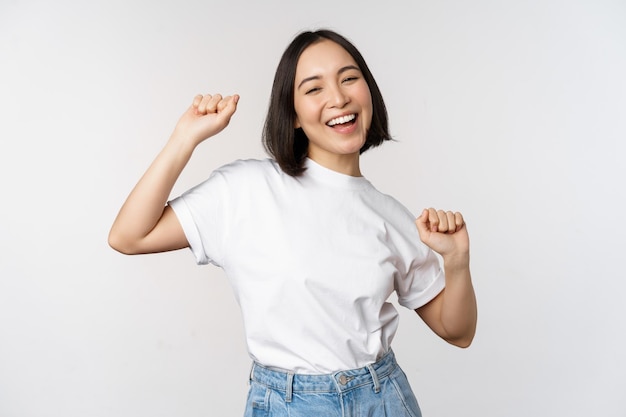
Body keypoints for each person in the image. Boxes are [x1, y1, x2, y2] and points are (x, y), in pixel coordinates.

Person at [109, 29, 477, 417]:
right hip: (287, 405)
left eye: (349, 78)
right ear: (294, 115)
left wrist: (457, 262)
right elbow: (129, 236)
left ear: (369, 92)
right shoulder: (245, 189)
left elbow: (459, 332)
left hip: (382, 399)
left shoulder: (394, 217)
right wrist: (185, 138)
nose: (338, 98)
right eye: (314, 88)